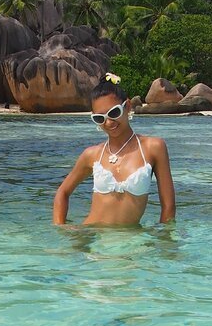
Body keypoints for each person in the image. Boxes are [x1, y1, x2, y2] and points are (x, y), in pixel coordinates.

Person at [53, 74, 175, 226]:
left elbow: (168, 208)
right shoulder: (91, 154)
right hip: (91, 238)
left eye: (114, 113)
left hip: (131, 244)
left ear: (128, 106)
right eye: (100, 118)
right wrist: (60, 229)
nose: (109, 122)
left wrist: (166, 245)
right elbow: (62, 192)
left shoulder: (154, 148)